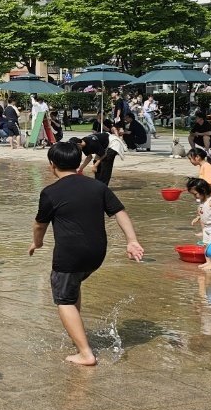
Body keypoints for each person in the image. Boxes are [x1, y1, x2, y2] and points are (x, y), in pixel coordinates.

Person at [28, 140, 144, 366]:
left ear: (52, 165)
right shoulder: (97, 187)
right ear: (79, 161)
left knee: (64, 299)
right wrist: (131, 240)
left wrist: (37, 243)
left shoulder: (50, 193)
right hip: (96, 254)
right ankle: (78, 335)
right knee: (73, 286)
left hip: (70, 254)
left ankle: (85, 353)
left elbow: (39, 225)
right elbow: (119, 212)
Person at [79, 120, 117, 184]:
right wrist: (81, 168)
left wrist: (95, 165)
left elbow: (103, 154)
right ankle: (99, 183)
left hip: (113, 143)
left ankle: (104, 185)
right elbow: (89, 157)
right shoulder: (82, 144)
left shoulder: (92, 143)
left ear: (78, 144)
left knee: (105, 162)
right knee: (96, 162)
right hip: (104, 146)